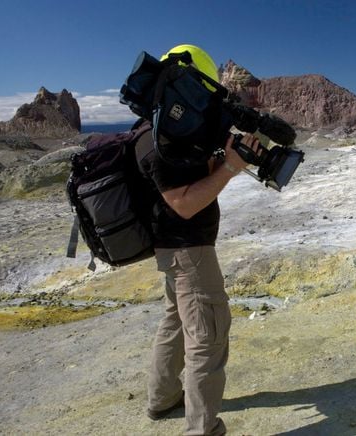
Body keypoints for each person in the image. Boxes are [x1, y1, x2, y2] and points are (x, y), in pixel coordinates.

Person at [135, 44, 262, 436]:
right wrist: (229, 168)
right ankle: (203, 429)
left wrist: (225, 157)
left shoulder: (163, 130)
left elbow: (189, 178)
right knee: (207, 336)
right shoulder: (158, 140)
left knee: (176, 322)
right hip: (188, 253)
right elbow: (184, 204)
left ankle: (163, 398)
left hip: (177, 253)